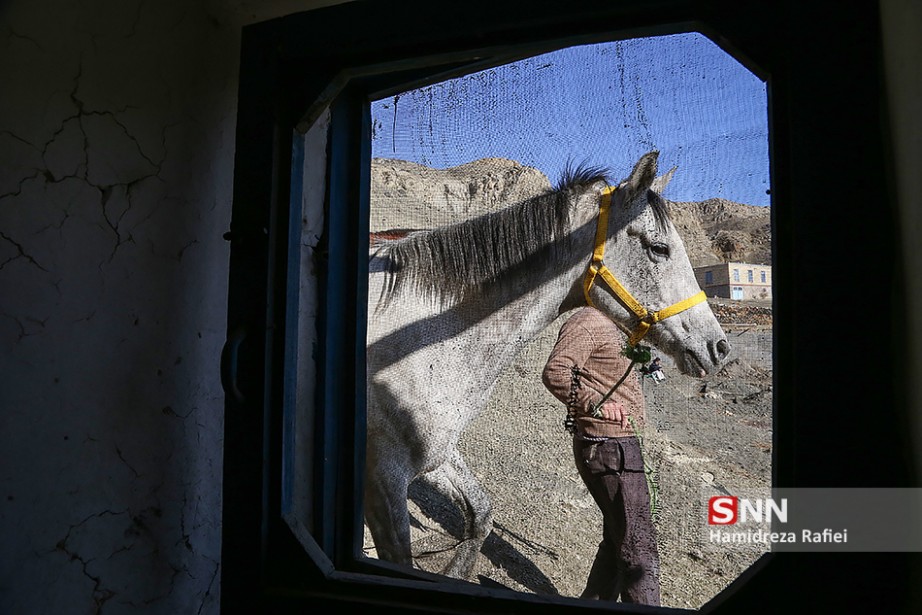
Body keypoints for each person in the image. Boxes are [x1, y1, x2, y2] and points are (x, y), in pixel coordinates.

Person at [542, 307, 661, 605]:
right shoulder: (588, 321)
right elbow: (555, 371)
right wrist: (594, 402)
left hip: (620, 443)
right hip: (607, 446)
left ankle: (594, 603)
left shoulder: (618, 325)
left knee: (618, 537)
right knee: (637, 543)